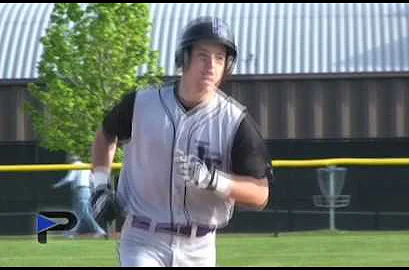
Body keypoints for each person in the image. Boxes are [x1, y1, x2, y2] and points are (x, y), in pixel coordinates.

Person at [89, 16, 274, 267]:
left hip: (199, 247)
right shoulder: (142, 104)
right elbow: (106, 134)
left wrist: (215, 181)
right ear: (184, 57)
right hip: (143, 239)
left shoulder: (235, 121)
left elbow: (260, 194)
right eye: (202, 55)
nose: (211, 65)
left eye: (220, 58)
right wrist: (100, 185)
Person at [52, 155, 107, 238]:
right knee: (80, 213)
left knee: (85, 212)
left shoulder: (76, 165)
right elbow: (92, 180)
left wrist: (57, 185)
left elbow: (70, 178)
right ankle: (74, 232)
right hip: (86, 190)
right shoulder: (86, 166)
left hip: (81, 189)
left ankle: (100, 231)